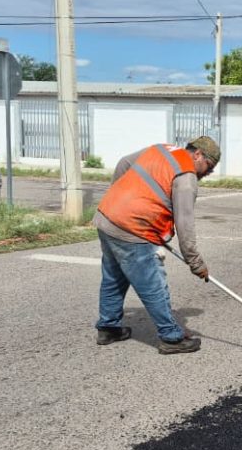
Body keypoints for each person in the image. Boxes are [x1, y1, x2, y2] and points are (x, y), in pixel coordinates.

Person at [93, 136, 220, 354]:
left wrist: (119, 197)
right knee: (153, 283)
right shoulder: (186, 176)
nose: (206, 173)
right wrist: (196, 263)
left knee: (114, 276)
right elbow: (185, 223)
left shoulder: (161, 150)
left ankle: (109, 327)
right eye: (208, 167)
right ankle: (171, 337)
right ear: (198, 155)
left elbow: (124, 162)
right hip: (134, 229)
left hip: (108, 217)